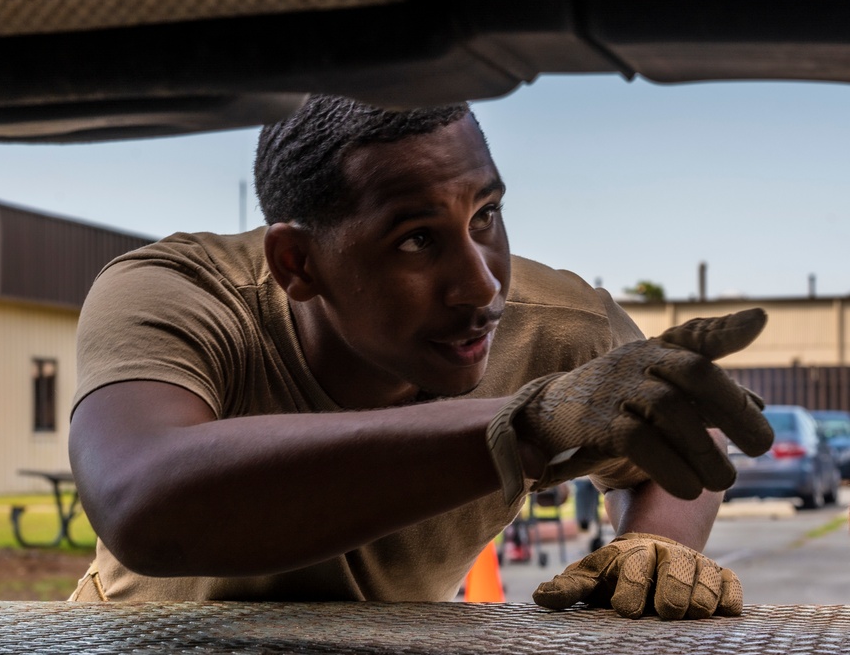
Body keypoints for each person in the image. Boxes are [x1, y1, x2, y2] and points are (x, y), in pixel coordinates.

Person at [67, 95, 773, 619]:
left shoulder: (557, 328)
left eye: (485, 216)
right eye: (415, 239)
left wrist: (655, 543)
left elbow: (683, 417)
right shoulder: (178, 294)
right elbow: (142, 501)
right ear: (297, 262)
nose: (482, 286)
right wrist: (524, 427)